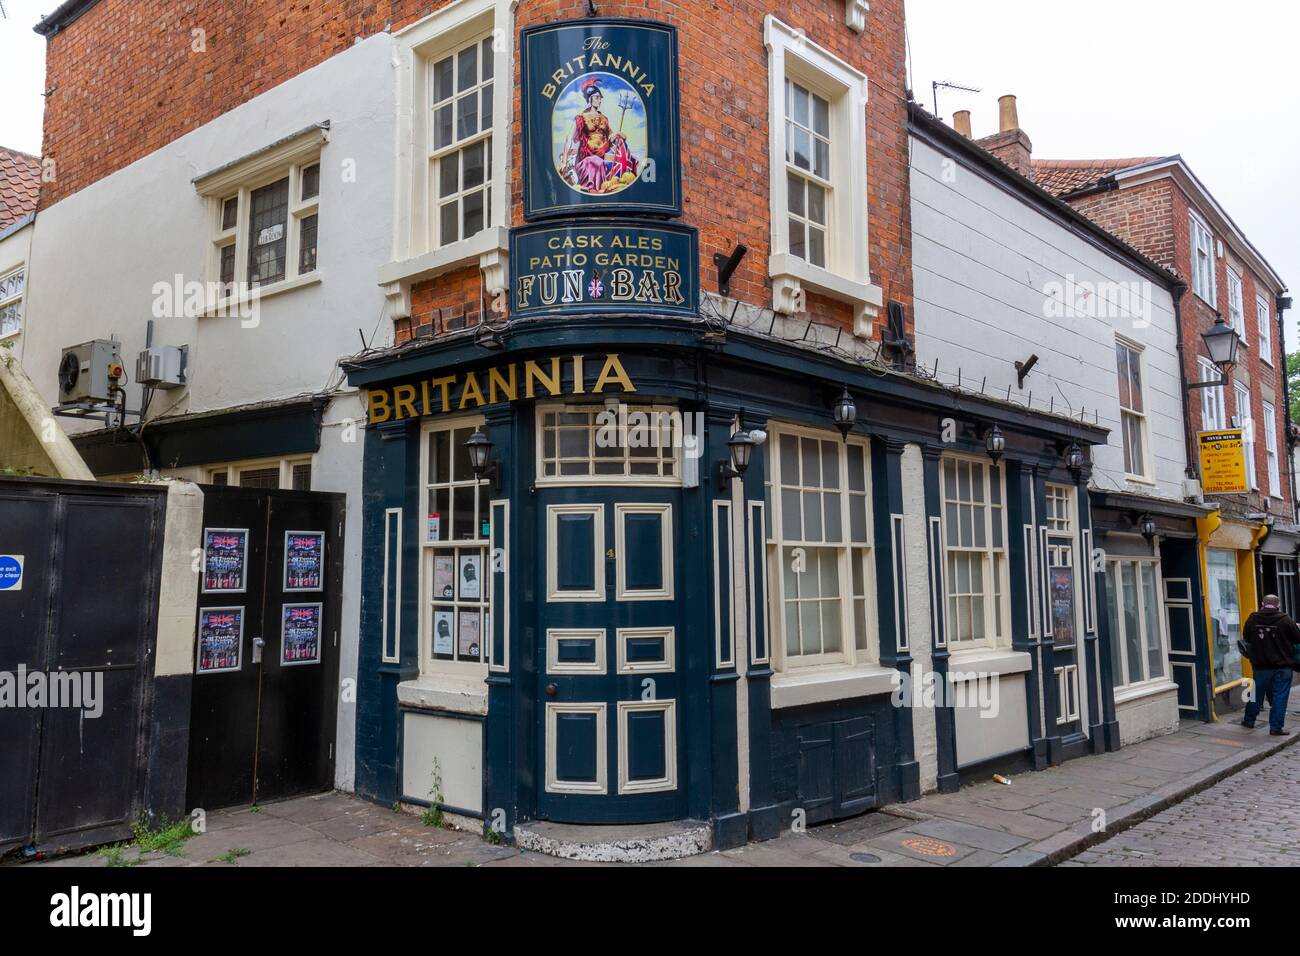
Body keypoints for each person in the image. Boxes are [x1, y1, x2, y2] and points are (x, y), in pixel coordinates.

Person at [1241, 594, 1300, 735]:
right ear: (1278, 605)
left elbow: (1246, 637)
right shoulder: (1286, 620)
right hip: (1282, 666)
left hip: (1260, 665)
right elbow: (1298, 638)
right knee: (1280, 695)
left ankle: (1249, 721)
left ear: (1262, 604)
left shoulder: (1252, 619)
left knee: (1255, 693)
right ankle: (1276, 727)